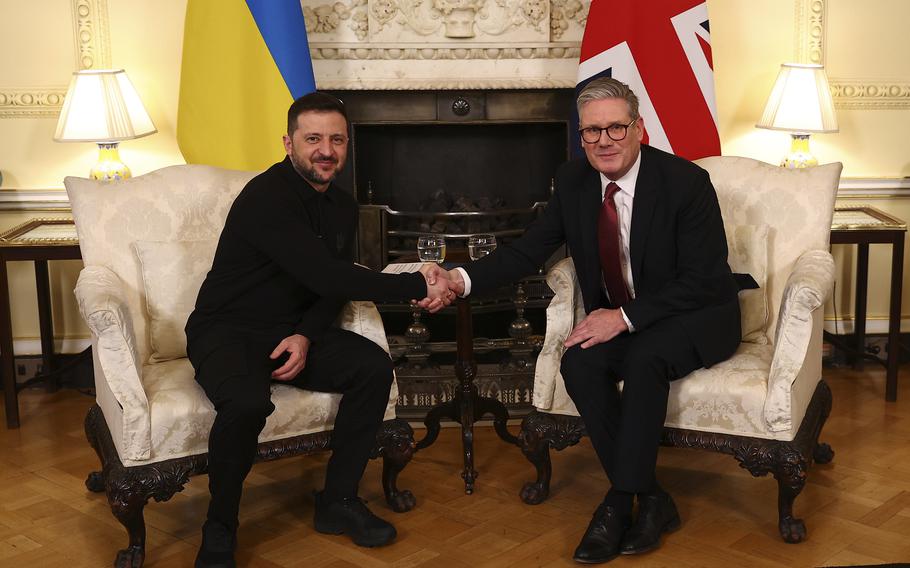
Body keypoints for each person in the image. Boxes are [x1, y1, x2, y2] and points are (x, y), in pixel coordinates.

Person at [426, 77, 743, 564]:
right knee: (579, 364)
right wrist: (459, 280)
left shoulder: (685, 183)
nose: (603, 141)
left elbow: (704, 280)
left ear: (640, 130)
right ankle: (652, 499)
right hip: (627, 316)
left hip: (696, 314)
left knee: (643, 358)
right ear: (581, 137)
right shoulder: (573, 181)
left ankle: (618, 502)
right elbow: (529, 250)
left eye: (616, 128)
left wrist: (623, 317)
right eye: (592, 131)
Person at [186, 92, 454, 568]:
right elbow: (330, 276)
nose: (325, 150)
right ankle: (221, 524)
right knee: (247, 403)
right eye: (313, 139)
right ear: (288, 143)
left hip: (289, 332)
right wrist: (418, 282)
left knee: (372, 367)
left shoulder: (342, 206)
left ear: (347, 145)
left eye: (336, 139)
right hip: (227, 330)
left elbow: (327, 289)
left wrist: (307, 335)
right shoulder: (266, 197)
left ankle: (338, 501)